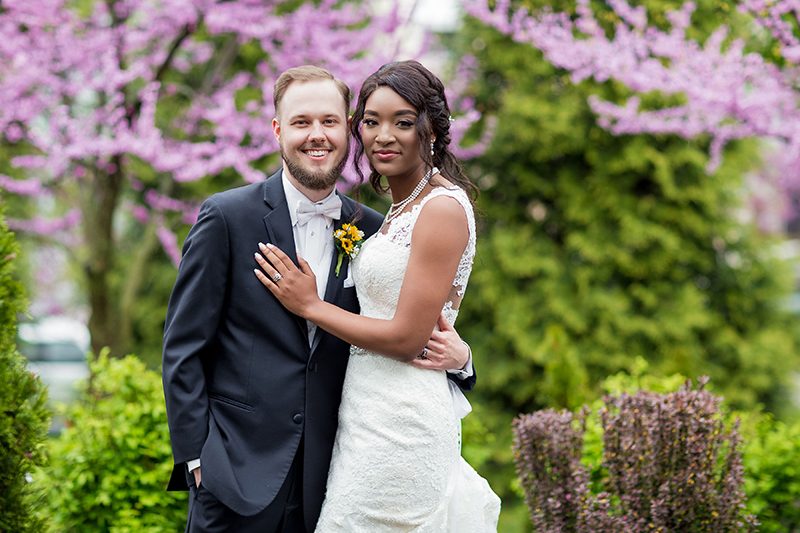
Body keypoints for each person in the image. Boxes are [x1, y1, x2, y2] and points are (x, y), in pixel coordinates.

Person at [162, 65, 476, 533]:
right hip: (234, 474)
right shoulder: (227, 218)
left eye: (330, 122)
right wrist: (196, 460)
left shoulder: (372, 228)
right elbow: (183, 347)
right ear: (277, 130)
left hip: (336, 471)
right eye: (301, 122)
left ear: (346, 132)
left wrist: (463, 358)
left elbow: (407, 319)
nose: (317, 136)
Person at [254, 60, 500, 531]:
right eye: (371, 122)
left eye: (403, 122)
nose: (384, 135)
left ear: (431, 130)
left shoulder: (441, 209)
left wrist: (311, 306)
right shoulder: (389, 214)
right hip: (363, 413)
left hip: (401, 423)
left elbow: (408, 338)